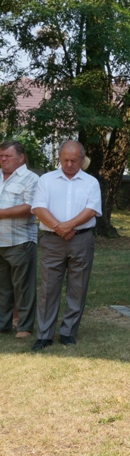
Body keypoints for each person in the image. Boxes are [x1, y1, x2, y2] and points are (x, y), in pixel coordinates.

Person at [29, 140, 101, 350]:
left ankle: (68, 332)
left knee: (77, 287)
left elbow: (91, 209)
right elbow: (38, 207)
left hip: (81, 239)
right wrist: (58, 227)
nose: (69, 164)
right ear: (59, 158)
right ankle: (44, 335)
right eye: (65, 160)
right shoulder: (46, 180)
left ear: (82, 159)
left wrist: (67, 226)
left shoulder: (90, 182)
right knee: (48, 288)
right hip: (52, 240)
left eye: (74, 160)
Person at [0, 140, 38, 339]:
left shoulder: (30, 179)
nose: (3, 159)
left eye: (8, 155)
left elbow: (30, 207)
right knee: (3, 288)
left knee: (22, 287)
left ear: (21, 158)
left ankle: (24, 326)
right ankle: (3, 325)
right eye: (1, 156)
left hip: (20, 241)